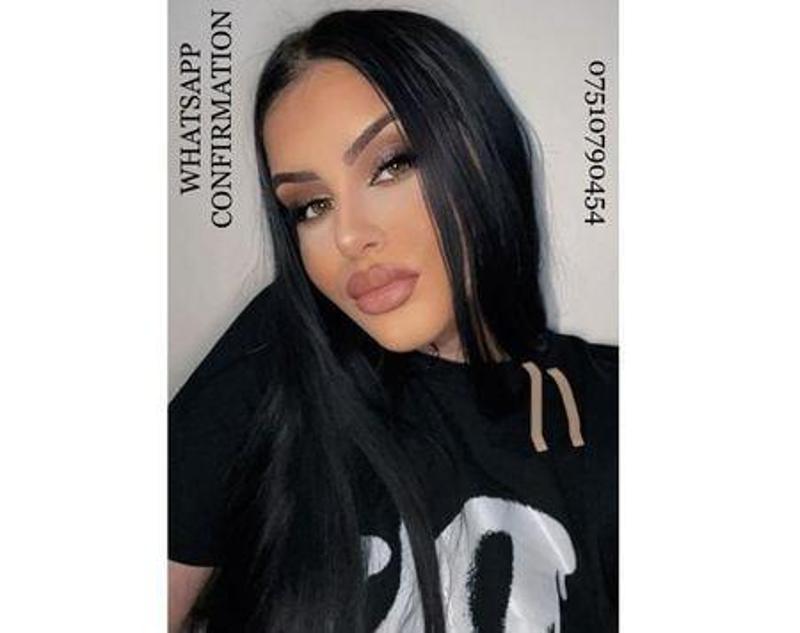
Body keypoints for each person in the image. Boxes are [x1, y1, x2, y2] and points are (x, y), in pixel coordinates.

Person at [169, 8, 617, 633]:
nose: (348, 236)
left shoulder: (609, 402)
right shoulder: (280, 351)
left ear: (484, 151)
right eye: (311, 205)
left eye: (392, 164)